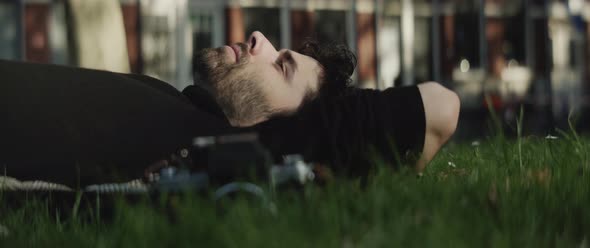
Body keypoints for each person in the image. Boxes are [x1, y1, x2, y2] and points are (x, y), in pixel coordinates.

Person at [0, 31, 459, 186]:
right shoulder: (175, 103)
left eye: (281, 66)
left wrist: (301, 142)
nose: (258, 39)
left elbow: (440, 106)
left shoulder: (232, 147)